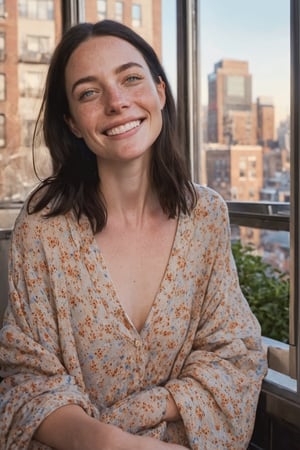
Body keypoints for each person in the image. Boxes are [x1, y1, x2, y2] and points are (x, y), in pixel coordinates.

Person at [0, 19, 267, 450]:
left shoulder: (206, 216)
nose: (117, 102)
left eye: (130, 78)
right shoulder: (42, 229)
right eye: (89, 92)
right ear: (71, 122)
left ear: (160, 91)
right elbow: (26, 382)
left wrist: (151, 409)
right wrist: (111, 443)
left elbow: (235, 355)